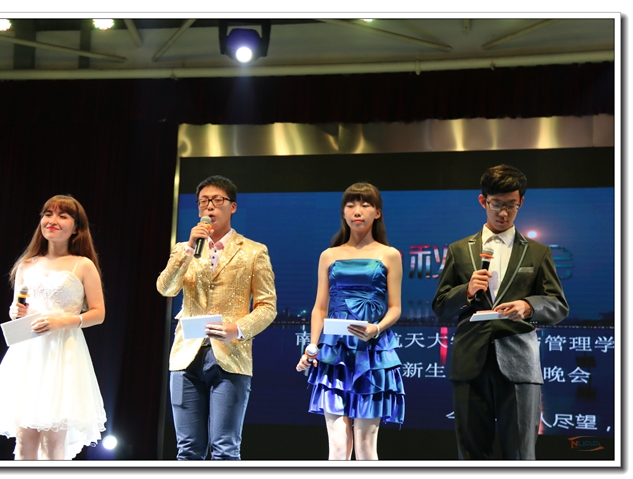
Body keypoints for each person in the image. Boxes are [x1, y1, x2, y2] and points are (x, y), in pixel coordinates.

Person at [432, 164, 569, 460]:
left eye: (511, 205)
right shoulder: (459, 250)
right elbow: (440, 307)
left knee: (520, 454)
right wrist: (466, 291)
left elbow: (558, 304)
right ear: (483, 201)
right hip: (470, 360)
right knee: (471, 454)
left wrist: (528, 306)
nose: (504, 213)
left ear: (521, 203)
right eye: (497, 204)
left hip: (519, 361)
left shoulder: (538, 252)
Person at [0, 194, 106, 460]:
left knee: (53, 442)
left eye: (62, 216)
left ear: (76, 228)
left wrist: (63, 320)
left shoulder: (83, 264)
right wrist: (15, 311)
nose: (52, 220)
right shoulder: (27, 264)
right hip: (28, 353)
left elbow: (98, 313)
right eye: (47, 214)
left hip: (64, 353)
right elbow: (19, 307)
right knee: (24, 439)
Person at [156, 175, 277, 460]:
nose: (209, 206)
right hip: (186, 354)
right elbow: (165, 288)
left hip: (230, 354)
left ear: (232, 206)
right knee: (188, 449)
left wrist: (238, 328)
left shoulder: (254, 251)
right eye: (203, 201)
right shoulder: (185, 249)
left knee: (225, 448)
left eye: (217, 200)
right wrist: (188, 248)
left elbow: (267, 306)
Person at [296, 182, 405, 460]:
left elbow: (395, 308)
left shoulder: (390, 254)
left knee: (366, 445)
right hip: (334, 352)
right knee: (337, 445)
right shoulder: (329, 255)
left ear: (377, 213)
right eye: (351, 205)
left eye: (365, 205)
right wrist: (312, 347)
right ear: (343, 213)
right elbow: (320, 308)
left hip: (373, 352)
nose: (357, 211)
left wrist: (376, 328)